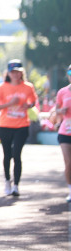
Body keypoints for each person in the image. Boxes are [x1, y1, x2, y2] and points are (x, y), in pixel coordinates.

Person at [0, 60, 37, 197]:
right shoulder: (1, 87)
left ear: (22, 73)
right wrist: (9, 104)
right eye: (13, 72)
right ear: (8, 73)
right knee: (7, 155)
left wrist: (28, 105)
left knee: (17, 154)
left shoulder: (28, 87)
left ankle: (16, 185)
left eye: (18, 72)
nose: (15, 74)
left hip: (22, 126)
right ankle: (7, 181)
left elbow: (33, 101)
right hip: (5, 125)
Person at [55, 64, 71, 202]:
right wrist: (61, 111)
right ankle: (70, 189)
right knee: (68, 162)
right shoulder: (62, 92)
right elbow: (56, 110)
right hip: (65, 131)